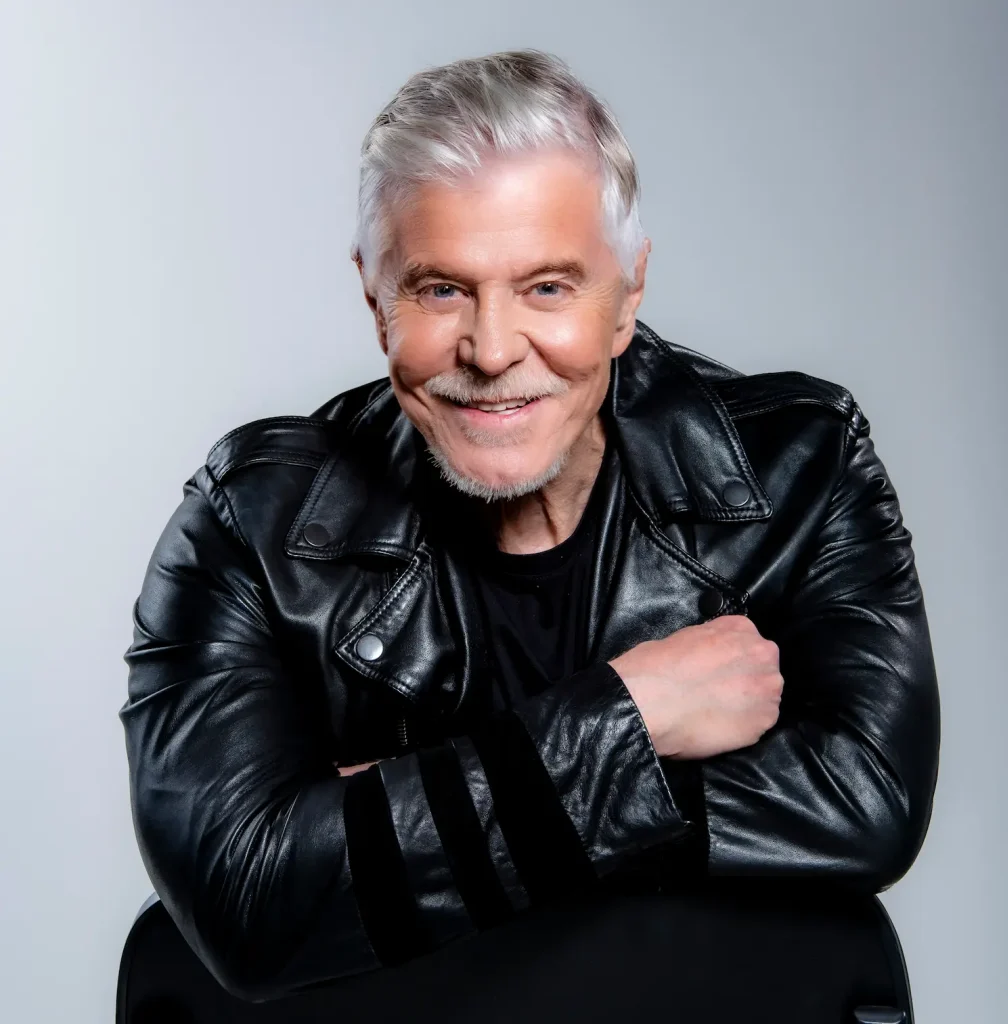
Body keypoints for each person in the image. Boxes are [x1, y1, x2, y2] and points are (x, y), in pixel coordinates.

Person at [119, 49, 940, 1004]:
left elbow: (869, 804)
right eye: (441, 289)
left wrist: (413, 795)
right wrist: (636, 715)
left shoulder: (799, 467)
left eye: (548, 287)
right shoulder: (252, 520)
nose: (494, 349)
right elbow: (245, 899)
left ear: (627, 295)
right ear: (375, 298)